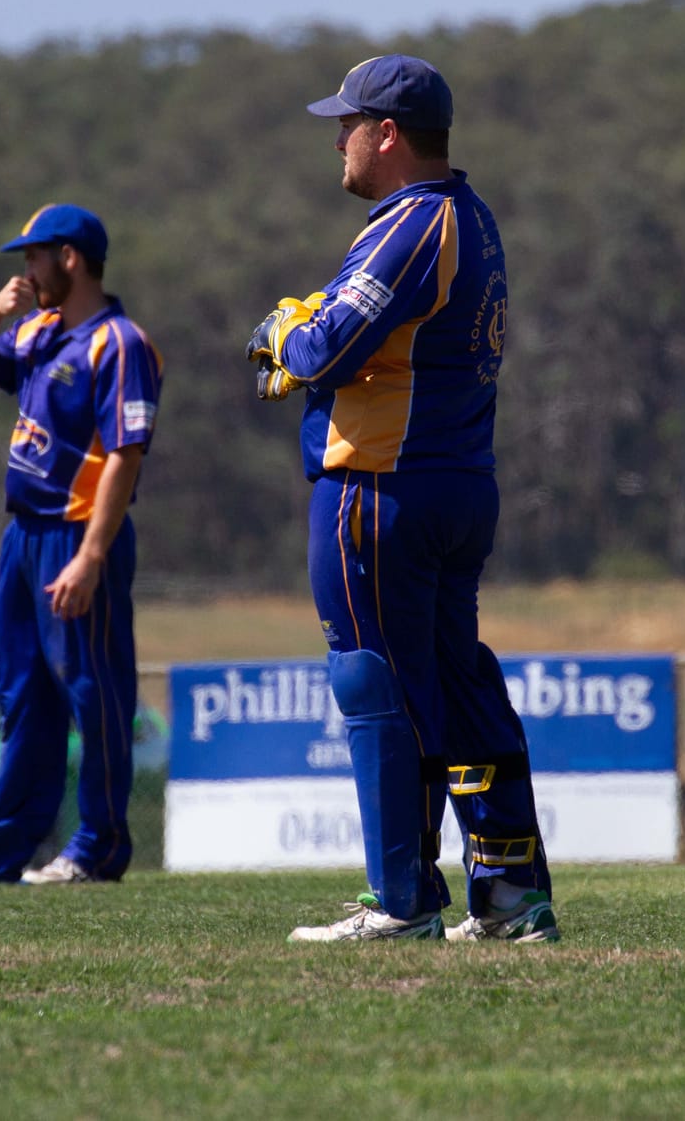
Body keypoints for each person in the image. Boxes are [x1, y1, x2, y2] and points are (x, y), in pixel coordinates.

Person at [248, 55, 557, 942]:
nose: (336, 141)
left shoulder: (412, 222)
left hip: (382, 485)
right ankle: (507, 892)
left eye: (346, 125)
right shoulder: (471, 214)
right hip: (456, 481)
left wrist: (284, 333)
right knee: (454, 682)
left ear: (388, 134)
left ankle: (401, 898)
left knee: (374, 677)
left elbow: (327, 347)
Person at [0, 203, 163, 888]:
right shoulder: (39, 332)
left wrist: (91, 556)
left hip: (79, 535)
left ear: (69, 259)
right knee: (24, 694)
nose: (27, 269)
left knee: (93, 691)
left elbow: (124, 455)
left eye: (34, 257)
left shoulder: (121, 343)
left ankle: (97, 848)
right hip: (22, 535)